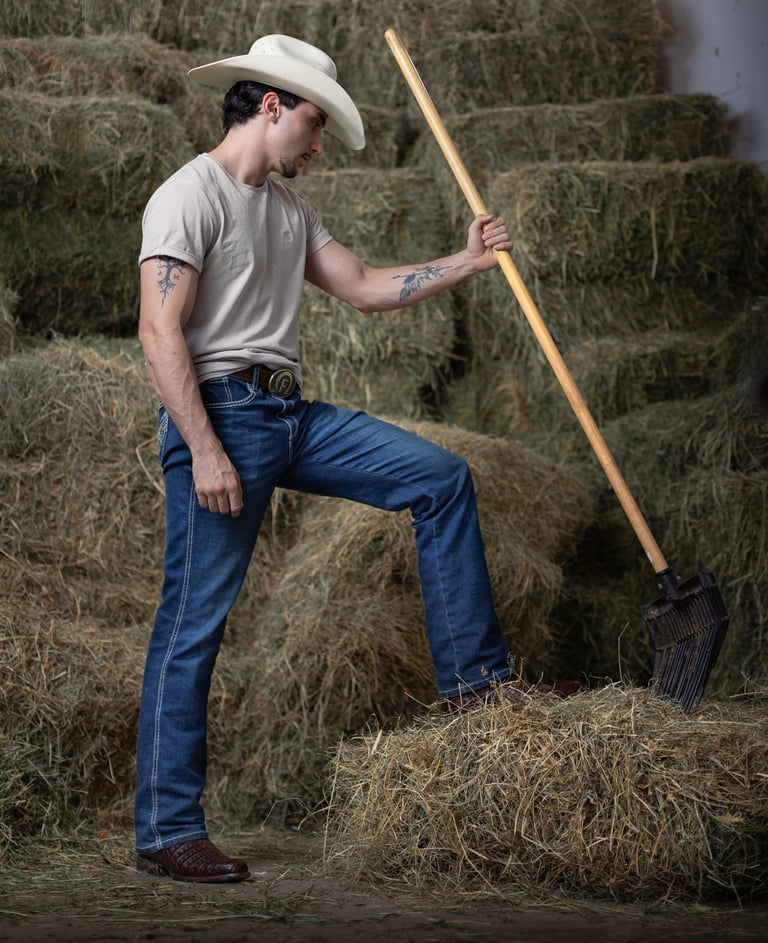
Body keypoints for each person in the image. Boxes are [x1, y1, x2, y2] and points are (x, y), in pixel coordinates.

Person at [134, 33, 578, 885]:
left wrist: (470, 259)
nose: (318, 142)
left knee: (440, 477)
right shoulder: (188, 196)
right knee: (192, 625)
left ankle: (475, 685)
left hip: (290, 415)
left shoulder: (288, 212)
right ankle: (165, 831)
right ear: (270, 107)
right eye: (313, 122)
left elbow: (368, 285)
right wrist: (203, 449)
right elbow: (159, 332)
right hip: (220, 416)